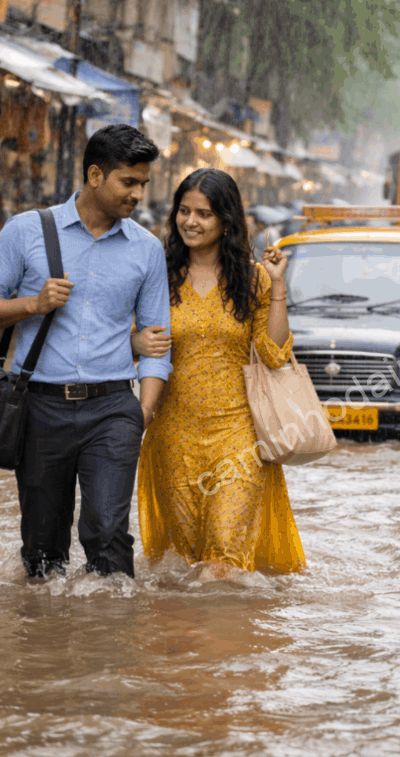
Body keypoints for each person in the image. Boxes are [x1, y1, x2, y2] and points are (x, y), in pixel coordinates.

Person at [0, 123, 170, 579]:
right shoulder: (26, 231)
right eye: (128, 182)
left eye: (143, 184)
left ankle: (113, 636)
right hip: (39, 406)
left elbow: (157, 344)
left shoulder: (147, 250)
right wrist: (33, 304)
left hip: (114, 408)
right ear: (94, 176)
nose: (138, 194)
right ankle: (45, 640)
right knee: (42, 545)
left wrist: (144, 412)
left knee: (107, 530)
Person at [129, 168, 305, 579]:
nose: (191, 222)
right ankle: (190, 641)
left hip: (238, 437)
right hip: (172, 435)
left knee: (224, 554)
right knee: (185, 562)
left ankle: (229, 641)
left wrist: (278, 285)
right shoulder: (159, 277)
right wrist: (135, 343)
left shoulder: (252, 279)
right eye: (184, 211)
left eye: (203, 214)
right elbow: (115, 335)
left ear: (226, 220)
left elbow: (275, 353)